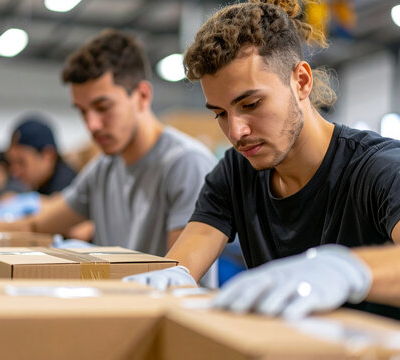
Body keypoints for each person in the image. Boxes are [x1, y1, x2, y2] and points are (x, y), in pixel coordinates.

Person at [123, 0, 400, 319]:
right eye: (220, 114)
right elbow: (185, 260)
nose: (236, 131)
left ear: (301, 82)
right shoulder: (235, 172)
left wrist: (349, 271)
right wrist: (173, 275)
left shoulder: (381, 168)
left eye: (251, 104)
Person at [0, 29, 217, 276]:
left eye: (103, 107)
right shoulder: (103, 169)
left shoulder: (186, 164)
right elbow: (36, 225)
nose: (91, 124)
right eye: (82, 111)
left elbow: (177, 277)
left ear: (142, 96)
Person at [7, 114, 77, 195]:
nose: (15, 172)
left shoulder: (67, 192)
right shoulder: (43, 185)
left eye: (21, 162)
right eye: (11, 163)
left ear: (48, 156)